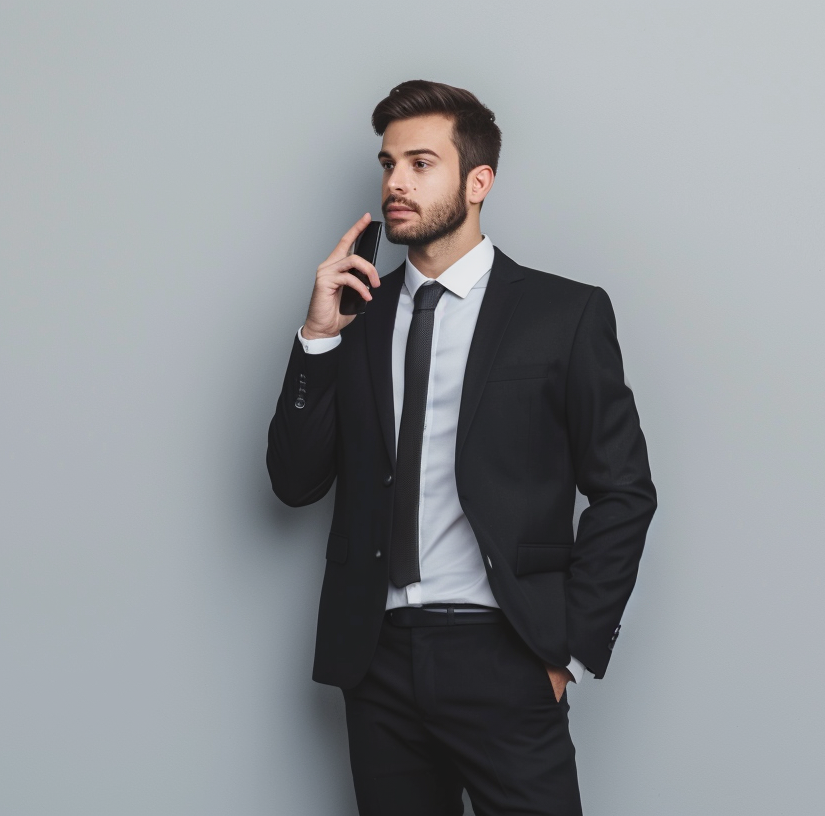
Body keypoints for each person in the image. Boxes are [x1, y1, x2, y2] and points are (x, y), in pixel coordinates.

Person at [266, 80, 657, 816]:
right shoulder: (361, 319)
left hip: (502, 648)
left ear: (479, 181)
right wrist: (318, 338)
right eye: (388, 165)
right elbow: (293, 480)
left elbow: (625, 491)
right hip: (376, 657)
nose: (396, 184)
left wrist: (565, 653)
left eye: (421, 164)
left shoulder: (562, 315)